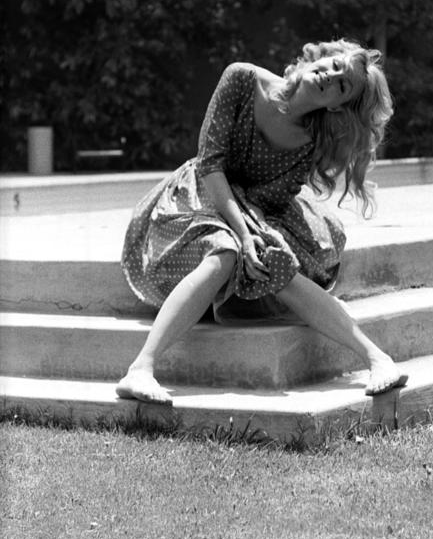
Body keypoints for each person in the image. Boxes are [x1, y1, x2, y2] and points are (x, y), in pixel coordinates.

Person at [116, 37, 408, 405]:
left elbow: (270, 199)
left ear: (337, 106)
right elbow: (209, 163)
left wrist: (258, 235)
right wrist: (242, 232)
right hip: (201, 193)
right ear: (322, 57)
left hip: (254, 208)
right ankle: (141, 368)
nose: (330, 76)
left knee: (273, 257)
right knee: (224, 250)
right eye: (335, 65)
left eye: (342, 85)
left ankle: (377, 359)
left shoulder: (310, 139)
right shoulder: (241, 79)